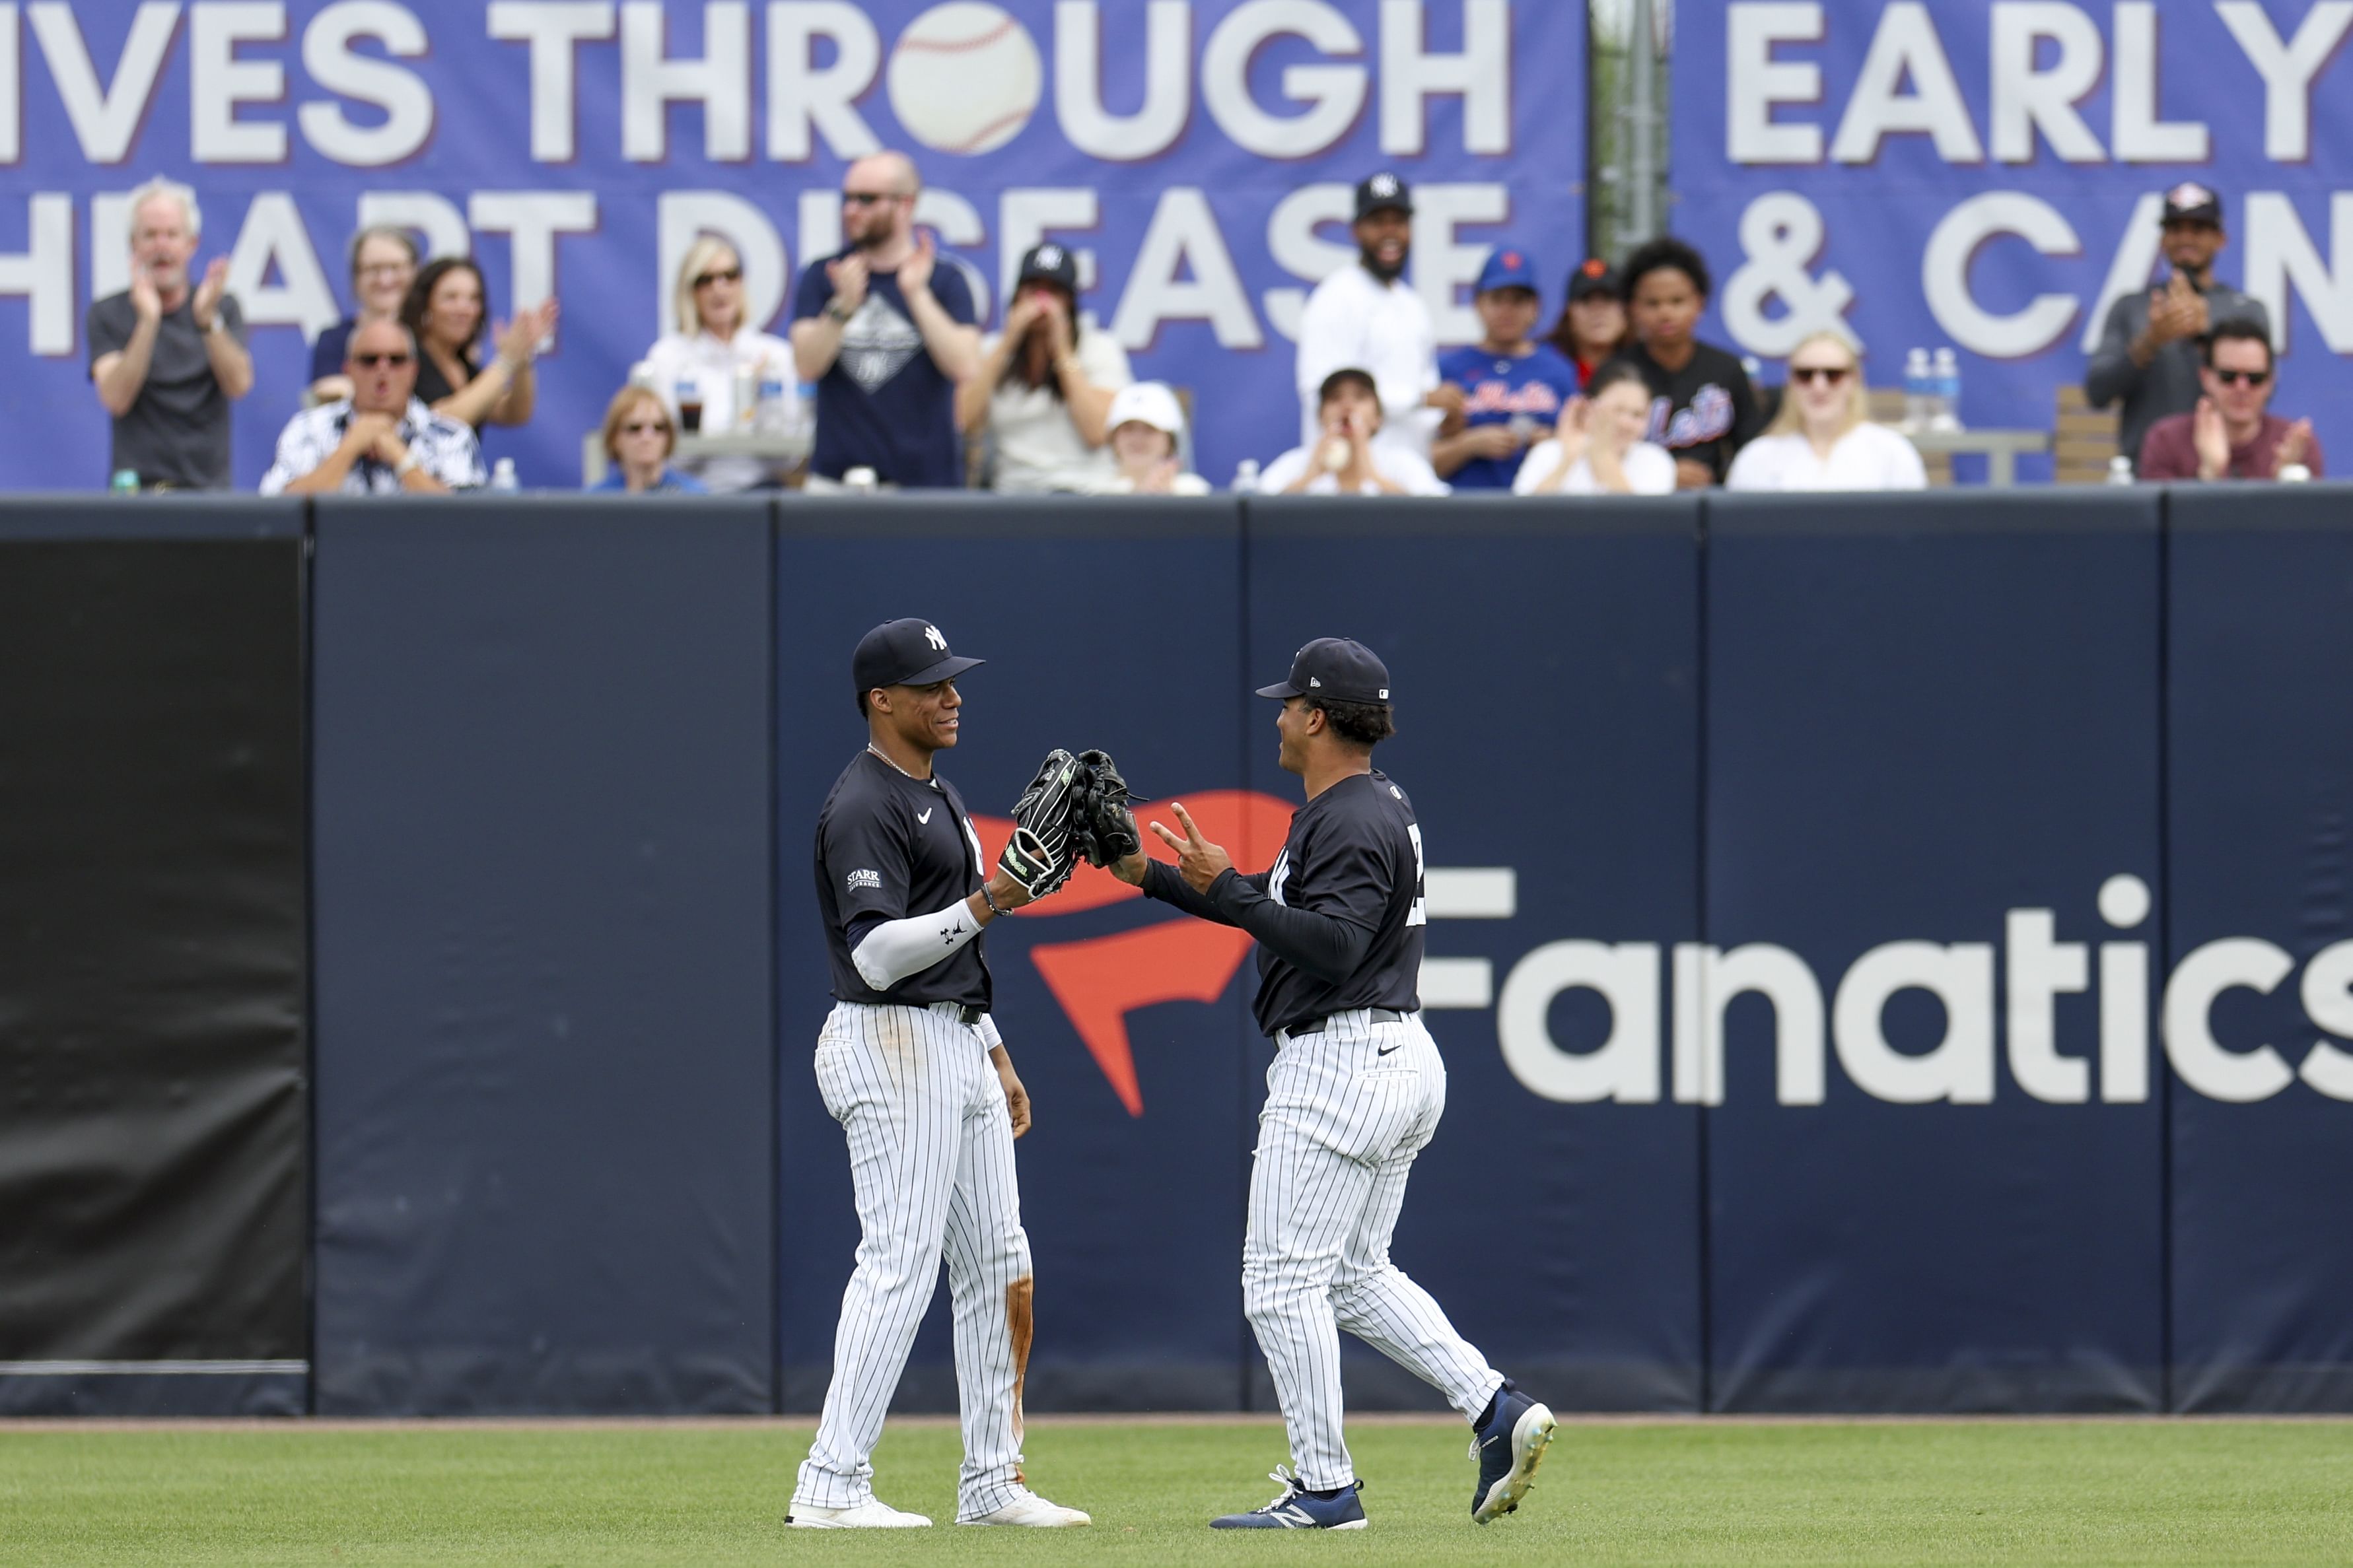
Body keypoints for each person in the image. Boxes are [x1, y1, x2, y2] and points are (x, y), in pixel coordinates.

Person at [1106, 638, 1557, 1530]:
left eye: (1287, 704)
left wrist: (1227, 887)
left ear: (1316, 716)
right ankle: (1494, 1406)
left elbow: (1336, 944)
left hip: (1341, 1060)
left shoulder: (1347, 815)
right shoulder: (1366, 800)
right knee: (1350, 1273)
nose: (1275, 716)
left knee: (1278, 1284)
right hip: (1387, 1053)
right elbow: (1284, 919)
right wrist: (1146, 875)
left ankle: (1323, 1486)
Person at [789, 619, 1089, 1532]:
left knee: (1002, 1264)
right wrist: (991, 896)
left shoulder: (940, 792)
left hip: (950, 1038)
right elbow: (877, 954)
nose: (951, 693)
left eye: (953, 678)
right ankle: (830, 1482)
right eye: (929, 683)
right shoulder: (862, 803)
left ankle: (991, 1480)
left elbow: (949, 946)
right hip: (887, 1039)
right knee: (898, 1261)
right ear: (881, 699)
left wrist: (992, 1047)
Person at [791, 151, 980, 489]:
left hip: (925, 482)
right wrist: (842, 308)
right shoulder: (824, 276)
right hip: (839, 481)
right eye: (847, 199)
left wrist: (917, 295)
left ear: (905, 205)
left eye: (866, 199)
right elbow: (806, 365)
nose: (851, 210)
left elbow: (965, 365)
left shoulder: (945, 280)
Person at [2086, 183, 2270, 475]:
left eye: (2198, 229)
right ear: (2162, 240)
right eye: (2175, 229)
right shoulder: (2132, 308)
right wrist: (2150, 340)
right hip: (2147, 473)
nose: (2186, 238)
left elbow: (2262, 391)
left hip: (2227, 472)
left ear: (2220, 239)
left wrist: (2206, 336)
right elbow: (2097, 393)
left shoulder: (2245, 310)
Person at [87, 177, 252, 490]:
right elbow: (115, 398)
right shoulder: (106, 313)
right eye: (150, 235)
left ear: (192, 245)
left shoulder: (221, 307)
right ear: (133, 246)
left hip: (208, 493)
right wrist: (148, 322)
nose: (161, 246)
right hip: (136, 494)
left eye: (171, 235)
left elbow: (239, 384)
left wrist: (207, 321)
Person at [1293, 172, 1453, 460]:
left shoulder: (1412, 304)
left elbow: (1427, 391)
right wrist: (1418, 400)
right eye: (1378, 222)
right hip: (1349, 483)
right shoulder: (1335, 298)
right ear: (1356, 230)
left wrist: (1445, 417)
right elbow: (1321, 394)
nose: (1390, 233)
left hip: (1409, 477)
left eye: (1399, 222)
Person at [958, 242, 1133, 493]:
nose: (1042, 302)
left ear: (1070, 303)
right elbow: (963, 420)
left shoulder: (1100, 348)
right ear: (1017, 296)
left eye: (1054, 292)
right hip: (1015, 496)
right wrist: (1009, 342)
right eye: (1033, 290)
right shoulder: (993, 349)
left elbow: (1097, 433)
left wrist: (1061, 350)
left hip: (1087, 492)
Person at [1605, 236, 1763, 489]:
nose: (1665, 313)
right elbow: (1598, 455)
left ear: (1699, 303)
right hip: (1636, 505)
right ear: (1633, 309)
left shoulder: (1727, 370)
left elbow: (1753, 453)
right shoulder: (1615, 374)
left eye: (1677, 301)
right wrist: (1664, 473)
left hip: (1713, 506)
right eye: (1652, 303)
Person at [640, 236, 796, 491]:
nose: (719, 288)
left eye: (729, 276)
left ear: (741, 283)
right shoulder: (667, 357)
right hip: (689, 495)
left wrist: (762, 400)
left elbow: (787, 457)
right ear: (689, 291)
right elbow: (673, 456)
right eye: (706, 280)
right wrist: (737, 414)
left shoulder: (774, 356)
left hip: (759, 492)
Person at [258, 319, 482, 495]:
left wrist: (400, 457)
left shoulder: (451, 436)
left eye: (396, 360)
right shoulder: (308, 428)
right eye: (369, 360)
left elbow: (465, 525)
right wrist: (350, 448)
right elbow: (279, 514)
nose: (383, 370)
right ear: (348, 369)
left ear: (414, 370)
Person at [1431, 248, 1582, 489]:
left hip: (1539, 510)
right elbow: (1422, 462)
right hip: (1464, 510)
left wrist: (1551, 445)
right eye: (1498, 299)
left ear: (1535, 307)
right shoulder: (1448, 369)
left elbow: (1583, 454)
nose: (1507, 311)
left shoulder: (1559, 370)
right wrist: (1470, 444)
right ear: (1478, 303)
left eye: (1518, 301)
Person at [1726, 329, 1927, 492]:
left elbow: (1916, 532)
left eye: (1833, 375)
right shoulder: (1756, 458)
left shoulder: (1892, 452)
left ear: (1854, 380)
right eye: (1805, 375)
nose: (1819, 386)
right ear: (1790, 383)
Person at [2136, 321, 2324, 482]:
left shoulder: (2296, 446)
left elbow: (2313, 522)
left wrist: (2288, 483)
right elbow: (2165, 523)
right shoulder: (2167, 440)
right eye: (2228, 376)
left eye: (2255, 378)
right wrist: (2210, 473)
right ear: (2206, 378)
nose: (2242, 388)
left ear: (2270, 382)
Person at [401, 256, 559, 436]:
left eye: (473, 299)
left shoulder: (464, 366)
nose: (464, 309)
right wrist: (506, 362)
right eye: (451, 297)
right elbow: (440, 423)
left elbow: (514, 413)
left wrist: (522, 360)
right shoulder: (405, 358)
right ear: (425, 304)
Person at [1262, 370, 1449, 497]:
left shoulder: (1404, 463)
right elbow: (1255, 515)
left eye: (1360, 397)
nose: (1347, 406)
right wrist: (1309, 478)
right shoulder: (1293, 464)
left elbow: (1434, 515)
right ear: (1320, 417)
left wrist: (1372, 476)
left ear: (1378, 417)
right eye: (1335, 398)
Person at [1513, 361, 1677, 496]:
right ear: (1590, 406)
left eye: (1637, 415)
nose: (1626, 423)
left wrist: (1603, 455)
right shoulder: (1549, 452)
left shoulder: (1655, 460)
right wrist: (1568, 459)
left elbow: (1642, 524)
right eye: (1618, 410)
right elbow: (1523, 519)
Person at [310, 225, 419, 404]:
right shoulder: (334, 340)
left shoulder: (430, 337)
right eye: (374, 269)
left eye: (396, 267)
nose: (385, 279)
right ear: (356, 278)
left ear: (415, 272)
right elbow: (327, 394)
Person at [1090, 382, 1211, 495]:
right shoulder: (1095, 492)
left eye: (1150, 429)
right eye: (1128, 428)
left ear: (1170, 440)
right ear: (1114, 438)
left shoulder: (1194, 491)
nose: (1137, 438)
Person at [588, 386, 710, 494]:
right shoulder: (597, 500)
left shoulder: (692, 496)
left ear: (669, 437)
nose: (647, 437)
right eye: (635, 428)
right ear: (615, 438)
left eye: (658, 428)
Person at [1543, 257, 1631, 389]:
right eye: (1587, 301)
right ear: (1569, 313)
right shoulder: (1545, 366)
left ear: (1625, 310)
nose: (1598, 311)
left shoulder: (1644, 366)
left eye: (1608, 300)